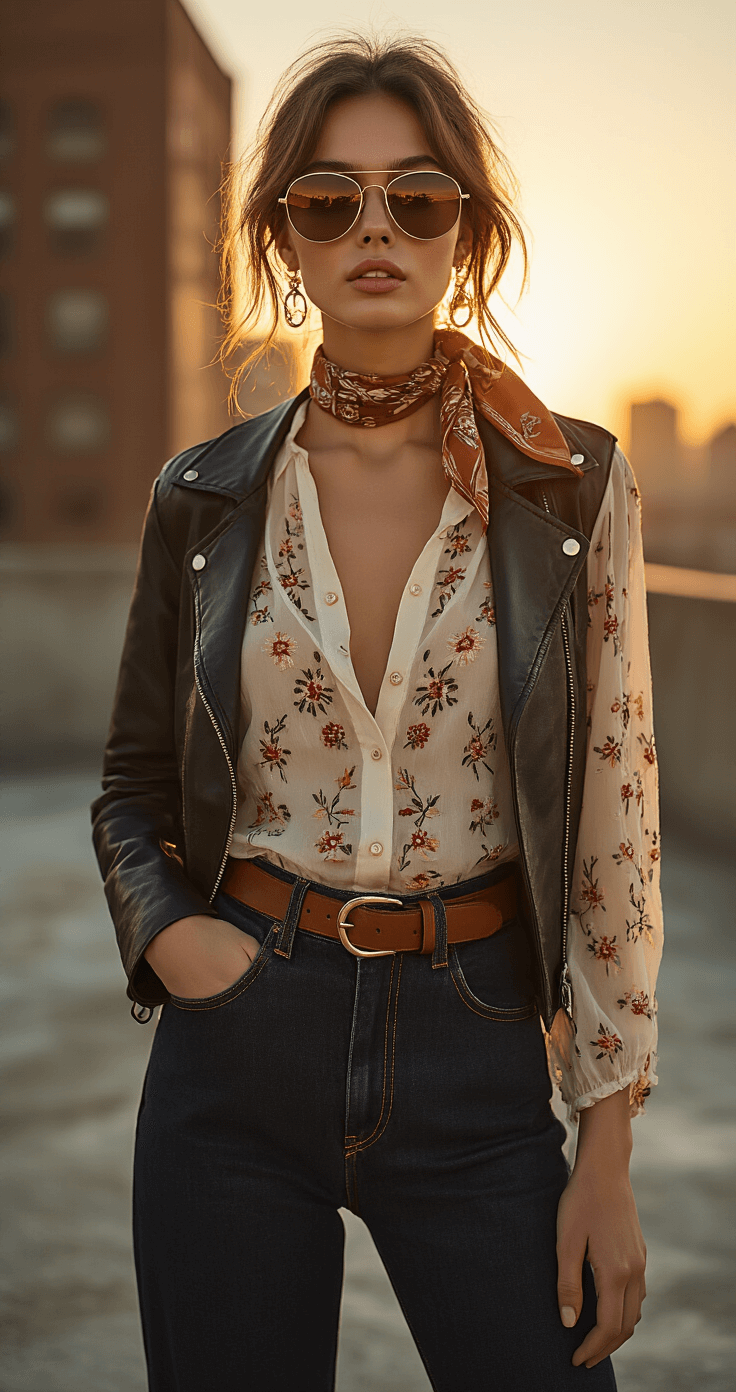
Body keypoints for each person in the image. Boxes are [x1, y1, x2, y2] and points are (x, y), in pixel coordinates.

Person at [91, 33, 663, 1392]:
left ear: (465, 228)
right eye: (326, 200)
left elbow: (613, 824)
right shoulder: (205, 494)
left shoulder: (566, 490)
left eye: (417, 197)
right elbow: (130, 779)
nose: (374, 231)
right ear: (284, 235)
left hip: (473, 1040)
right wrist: (172, 941)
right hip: (238, 1040)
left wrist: (609, 1150)